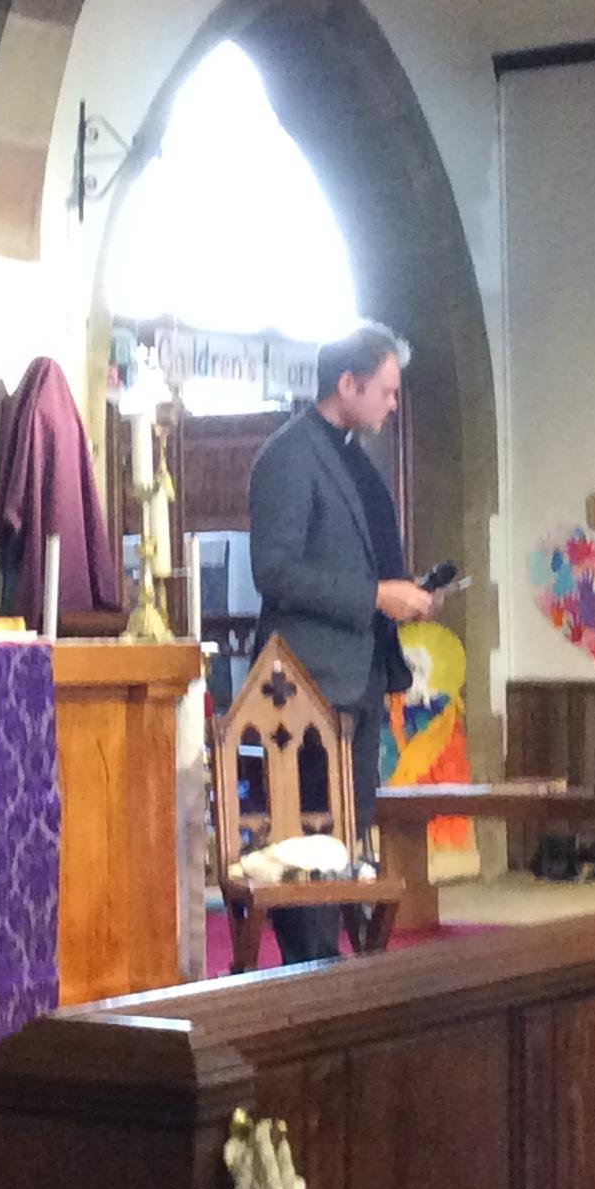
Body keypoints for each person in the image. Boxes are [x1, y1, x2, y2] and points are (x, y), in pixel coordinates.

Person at [246, 322, 435, 965]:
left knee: (347, 835)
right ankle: (312, 970)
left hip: (357, 674)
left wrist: (405, 593)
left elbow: (360, 557)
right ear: (347, 384)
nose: (393, 404)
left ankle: (335, 972)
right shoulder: (289, 455)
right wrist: (376, 596)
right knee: (307, 837)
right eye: (386, 390)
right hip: (305, 681)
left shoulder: (353, 455)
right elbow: (274, 571)